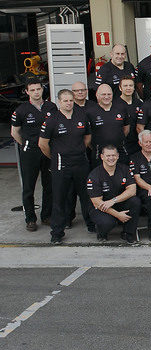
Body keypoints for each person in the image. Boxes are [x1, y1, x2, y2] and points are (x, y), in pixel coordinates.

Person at [39, 89, 93, 244]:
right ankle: (57, 232)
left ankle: (91, 224)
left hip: (81, 162)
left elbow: (87, 137)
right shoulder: (52, 119)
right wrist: (56, 156)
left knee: (86, 196)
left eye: (71, 100)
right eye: (65, 100)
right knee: (59, 198)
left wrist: (78, 150)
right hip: (61, 164)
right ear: (59, 102)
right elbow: (43, 144)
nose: (69, 103)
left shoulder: (81, 116)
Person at [11, 78, 57, 231]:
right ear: (27, 92)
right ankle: (30, 219)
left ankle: (46, 216)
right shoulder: (21, 110)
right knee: (28, 187)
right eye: (32, 90)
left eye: (38, 89)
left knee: (49, 185)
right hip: (30, 153)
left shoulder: (51, 107)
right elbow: (15, 132)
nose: (36, 92)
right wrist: (26, 145)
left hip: (48, 152)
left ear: (42, 89)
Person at [86, 145, 140, 244]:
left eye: (113, 155)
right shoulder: (94, 175)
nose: (111, 158)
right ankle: (102, 233)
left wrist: (113, 201)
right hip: (100, 208)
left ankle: (128, 234)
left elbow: (132, 190)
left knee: (135, 201)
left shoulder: (125, 169)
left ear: (118, 156)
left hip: (116, 203)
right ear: (102, 157)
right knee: (108, 222)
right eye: (108, 156)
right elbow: (97, 203)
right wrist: (118, 215)